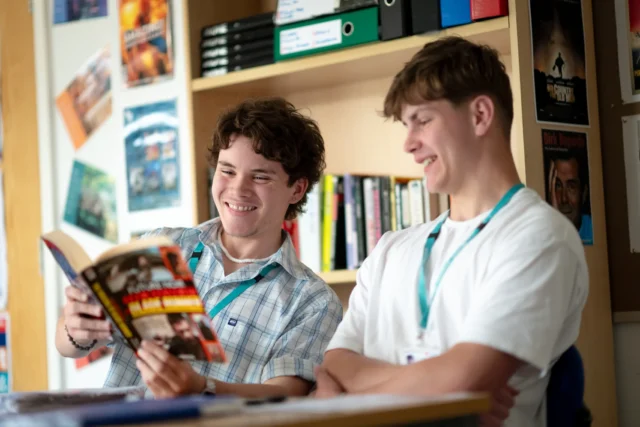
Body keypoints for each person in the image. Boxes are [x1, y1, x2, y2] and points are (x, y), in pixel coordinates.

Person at [315, 36, 589, 427]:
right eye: (406, 126)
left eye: (422, 121)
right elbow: (331, 366)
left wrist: (352, 392)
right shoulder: (391, 249)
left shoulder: (540, 237)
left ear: (479, 115)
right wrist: (437, 394)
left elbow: (463, 378)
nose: (409, 144)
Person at [55, 97, 343, 399]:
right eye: (227, 170)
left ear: (297, 189)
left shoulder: (313, 301)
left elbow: (285, 395)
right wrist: (75, 328)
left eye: (259, 176)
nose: (237, 189)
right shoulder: (161, 246)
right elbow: (66, 345)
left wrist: (202, 388)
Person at [547, 153, 593, 245]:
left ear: (584, 193)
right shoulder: (543, 233)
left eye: (571, 187)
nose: (564, 199)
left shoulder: (594, 230)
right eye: (557, 186)